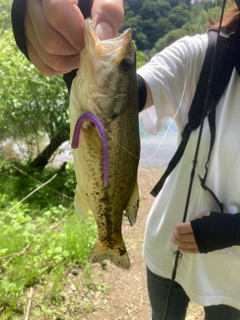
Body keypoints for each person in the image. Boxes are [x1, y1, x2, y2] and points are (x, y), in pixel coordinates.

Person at [11, 1, 240, 319]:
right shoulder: (208, 55)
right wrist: (67, 36)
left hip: (233, 278)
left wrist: (233, 230)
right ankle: (110, 236)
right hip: (167, 245)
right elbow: (133, 92)